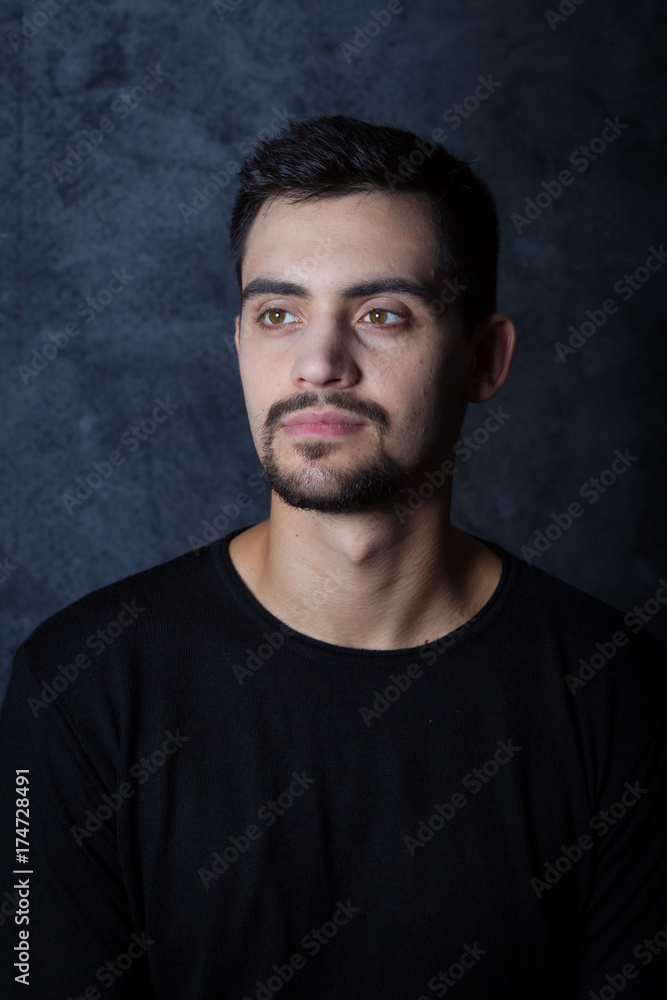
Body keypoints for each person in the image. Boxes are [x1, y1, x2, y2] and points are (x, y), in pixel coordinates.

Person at [1, 114, 665, 999]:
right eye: (278, 313)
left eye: (382, 314)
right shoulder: (80, 685)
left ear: (482, 358)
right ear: (239, 344)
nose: (318, 362)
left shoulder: (621, 698)